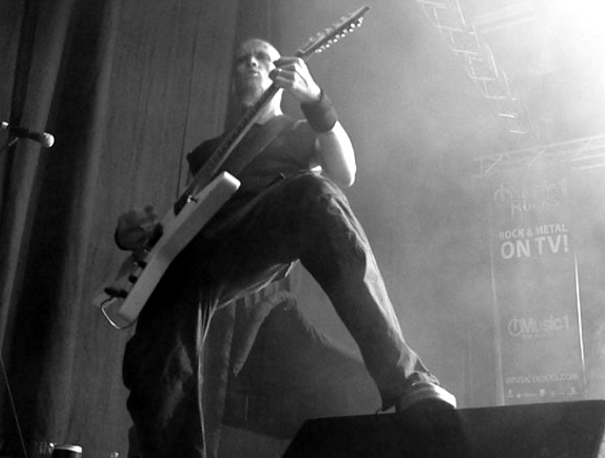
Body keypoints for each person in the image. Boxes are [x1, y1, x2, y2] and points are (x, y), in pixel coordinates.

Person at [116, 38, 456, 458]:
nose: (250, 64)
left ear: (279, 72)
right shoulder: (206, 153)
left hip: (258, 232)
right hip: (201, 252)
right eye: (242, 59)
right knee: (157, 354)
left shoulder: (297, 132)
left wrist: (315, 100)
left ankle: (408, 380)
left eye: (262, 57)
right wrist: (139, 234)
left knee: (316, 191)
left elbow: (344, 173)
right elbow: (183, 218)